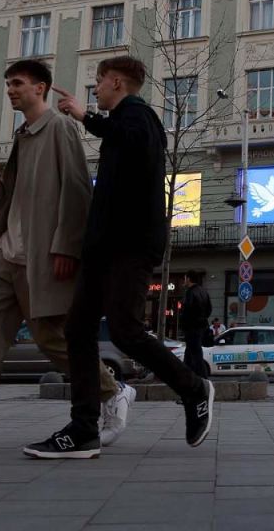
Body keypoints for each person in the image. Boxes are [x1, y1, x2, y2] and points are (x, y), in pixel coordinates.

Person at [0, 60, 133, 453]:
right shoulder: (23, 135)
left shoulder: (61, 129)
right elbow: (16, 198)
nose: (11, 90)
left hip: (40, 255)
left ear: (41, 88)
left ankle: (111, 390)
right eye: (7, 83)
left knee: (52, 340)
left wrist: (66, 246)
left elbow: (78, 190)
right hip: (7, 254)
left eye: (18, 83)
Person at [27, 56, 213, 459]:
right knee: (77, 330)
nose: (94, 89)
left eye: (97, 81)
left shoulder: (140, 117)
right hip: (102, 246)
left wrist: (84, 116)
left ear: (116, 82)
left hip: (130, 244)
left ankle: (194, 388)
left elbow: (133, 142)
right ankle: (83, 429)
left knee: (127, 331)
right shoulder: (122, 124)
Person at [180, 271, 211, 379]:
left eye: (184, 278)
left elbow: (187, 310)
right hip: (201, 326)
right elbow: (209, 310)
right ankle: (185, 374)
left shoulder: (190, 292)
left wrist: (183, 325)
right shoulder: (204, 291)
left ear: (188, 279)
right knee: (190, 351)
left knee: (196, 353)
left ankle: (203, 378)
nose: (184, 281)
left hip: (192, 327)